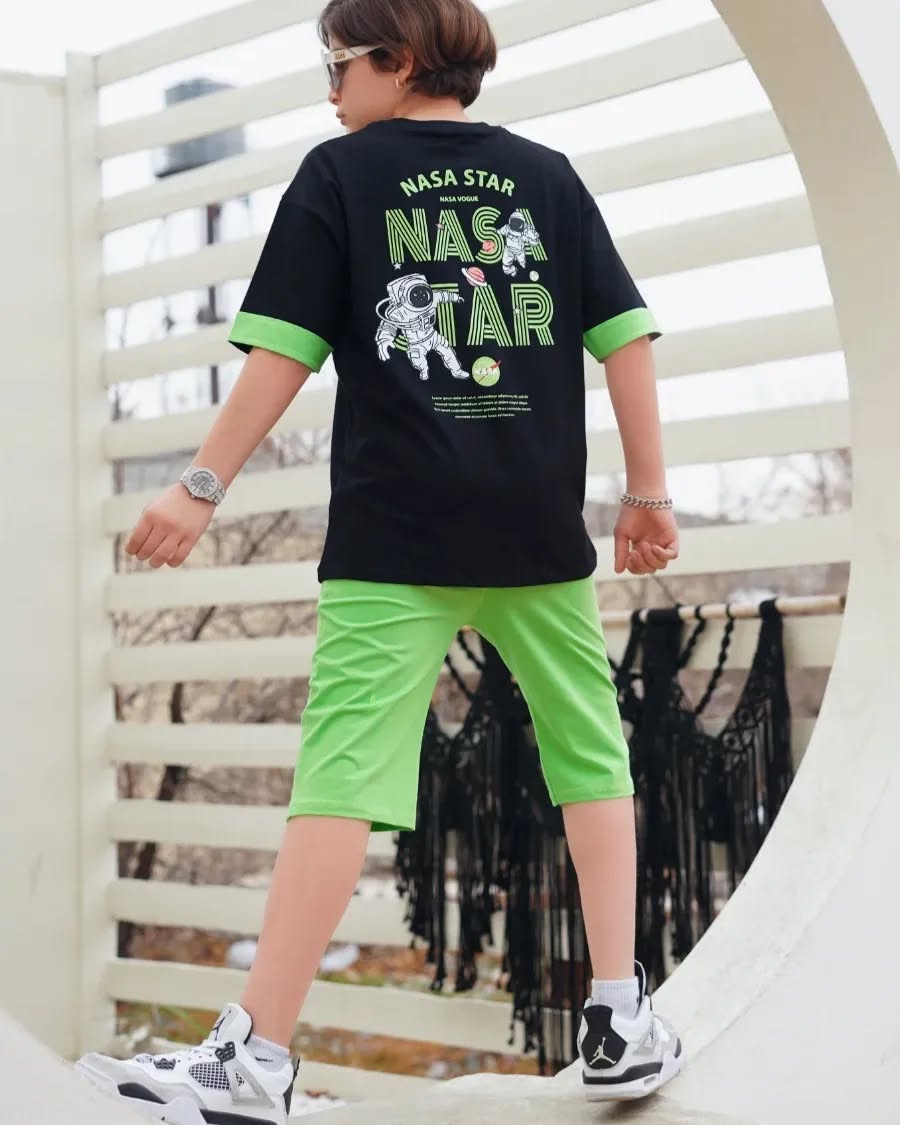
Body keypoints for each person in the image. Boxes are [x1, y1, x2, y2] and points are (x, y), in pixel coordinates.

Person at [76, 1, 683, 1121]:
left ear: (397, 62)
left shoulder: (340, 176)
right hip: (534, 528)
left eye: (339, 64)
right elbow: (625, 338)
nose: (329, 90)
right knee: (591, 754)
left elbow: (281, 355)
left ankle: (257, 1056)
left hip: (393, 535)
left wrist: (198, 486)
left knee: (342, 776)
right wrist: (647, 495)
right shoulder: (546, 178)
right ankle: (620, 1017)